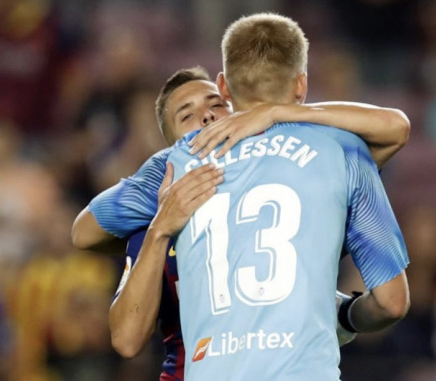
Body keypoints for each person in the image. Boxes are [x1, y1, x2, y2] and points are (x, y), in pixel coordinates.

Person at [73, 67, 410, 379]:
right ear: (173, 147)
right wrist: (160, 228)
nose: (206, 116)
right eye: (186, 115)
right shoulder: (161, 206)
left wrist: (279, 112)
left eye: (216, 105)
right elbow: (126, 339)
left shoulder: (294, 175)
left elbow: (394, 128)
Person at [158, 13, 409, 379]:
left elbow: (87, 229)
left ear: (223, 88)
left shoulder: (182, 159)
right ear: (302, 86)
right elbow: (391, 303)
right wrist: (345, 316)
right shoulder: (344, 151)